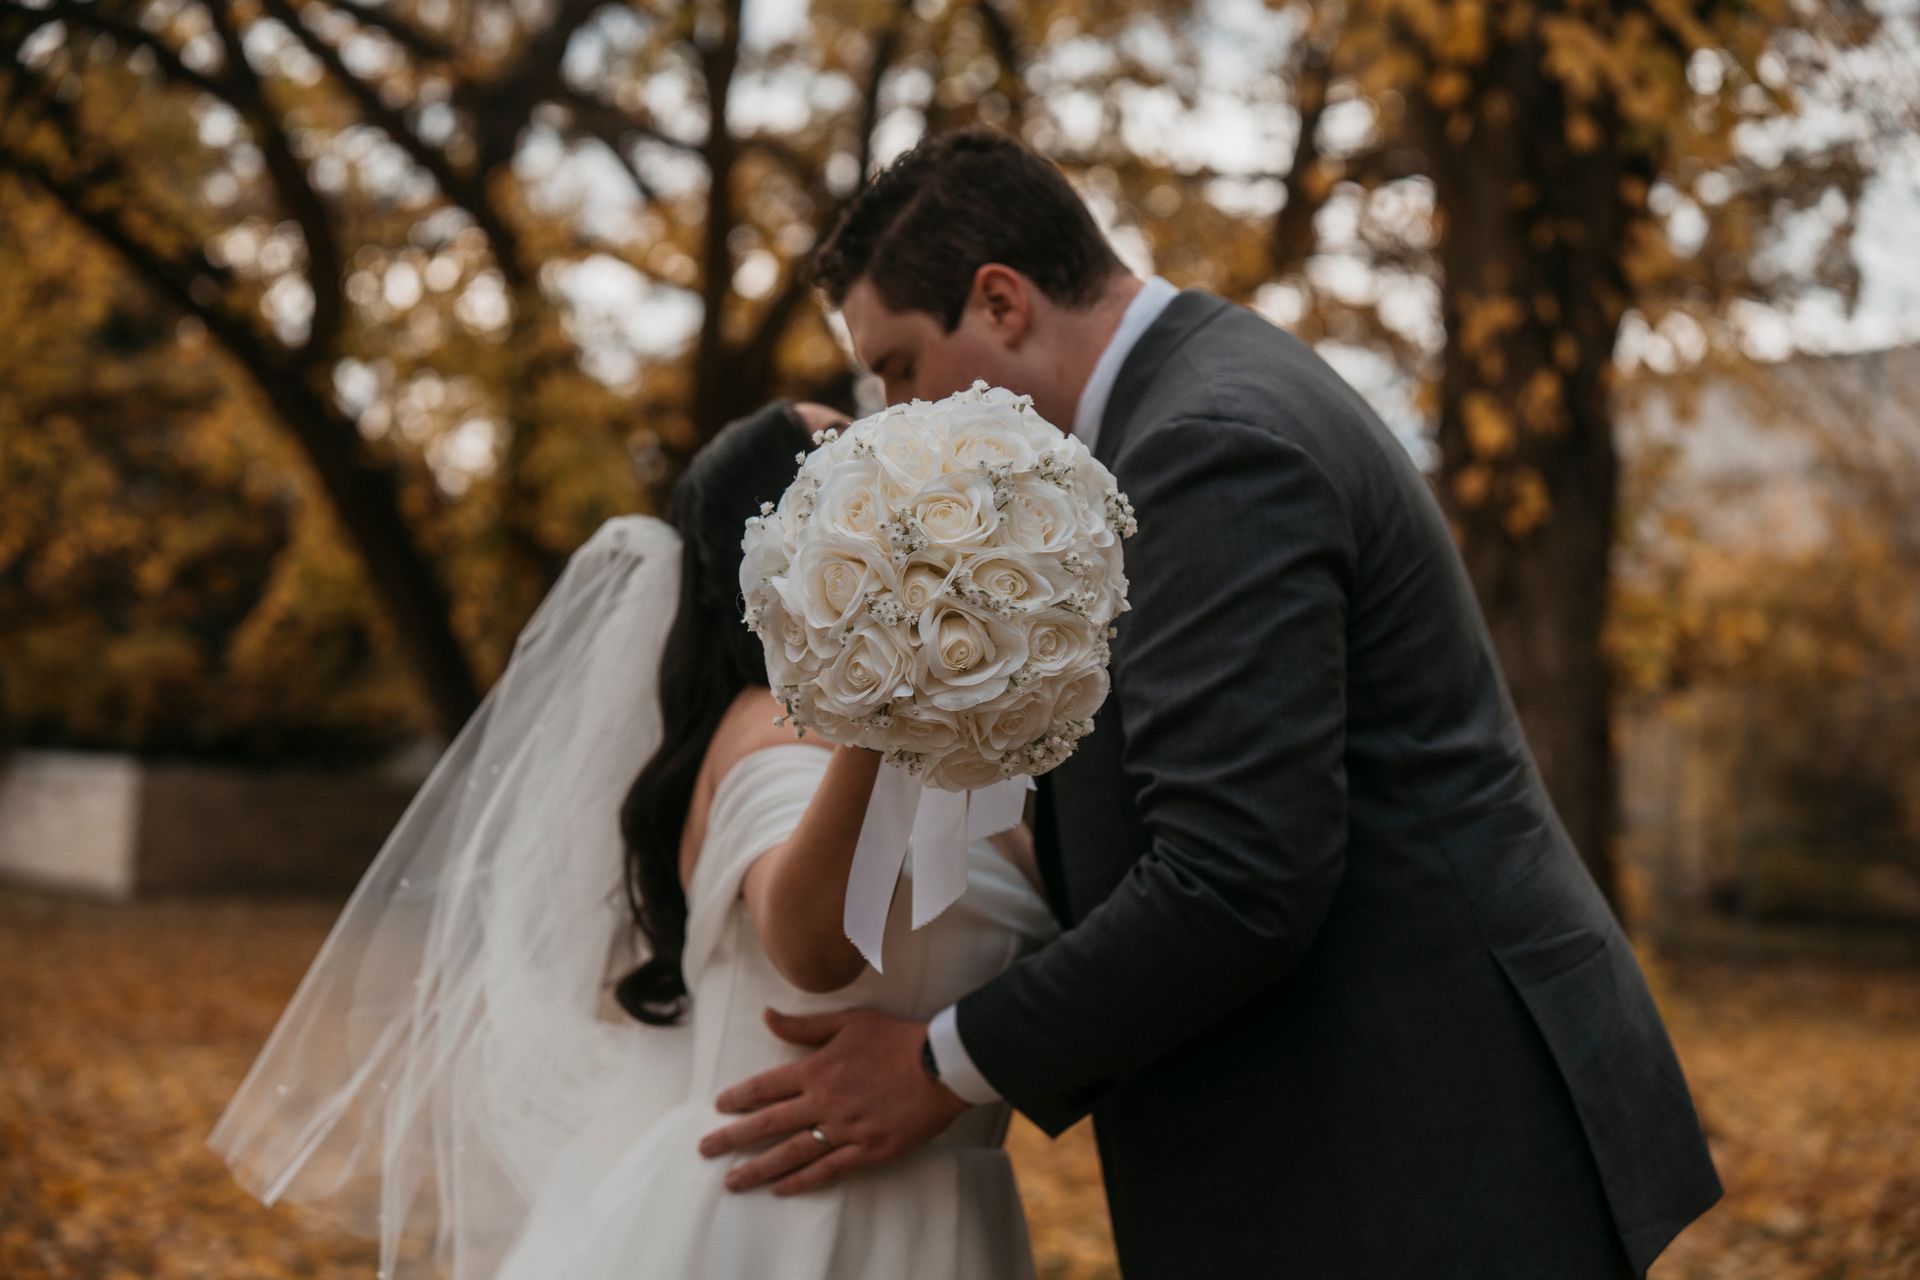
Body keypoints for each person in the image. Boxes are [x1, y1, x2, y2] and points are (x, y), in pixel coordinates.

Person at [698, 127, 1724, 1278]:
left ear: (1000, 302)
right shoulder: (1184, 410)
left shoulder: (1201, 449)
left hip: (1407, 1140)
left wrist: (941, 1063)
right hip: (1371, 1123)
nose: (894, 409)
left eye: (895, 364)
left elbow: (1239, 869)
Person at [208, 400, 1058, 1280]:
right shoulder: (766, 726)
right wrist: (887, 698)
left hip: (953, 1224)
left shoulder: (973, 758)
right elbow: (812, 947)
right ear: (788, 530)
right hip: (772, 1230)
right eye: (850, 450)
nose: (896, 463)